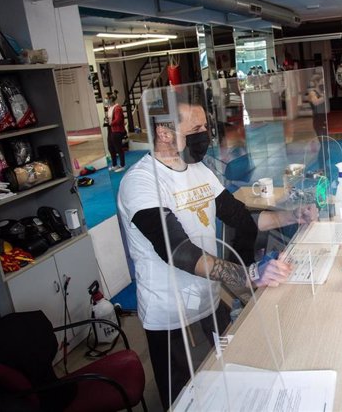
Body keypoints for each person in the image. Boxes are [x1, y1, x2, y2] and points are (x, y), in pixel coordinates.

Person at [117, 89, 315, 409]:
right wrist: (248, 274)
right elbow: (179, 251)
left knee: (228, 383)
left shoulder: (199, 171)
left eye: (206, 128)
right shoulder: (140, 183)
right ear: (164, 132)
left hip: (207, 300)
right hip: (171, 315)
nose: (205, 137)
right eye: (196, 131)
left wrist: (292, 216)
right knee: (187, 399)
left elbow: (239, 218)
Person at [106, 92, 126, 172]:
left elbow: (118, 119)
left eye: (106, 98)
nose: (105, 100)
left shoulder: (117, 108)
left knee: (118, 148)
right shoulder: (109, 107)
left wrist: (111, 123)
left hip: (117, 130)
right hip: (111, 129)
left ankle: (122, 165)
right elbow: (109, 118)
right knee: (110, 148)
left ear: (110, 99)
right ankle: (114, 164)